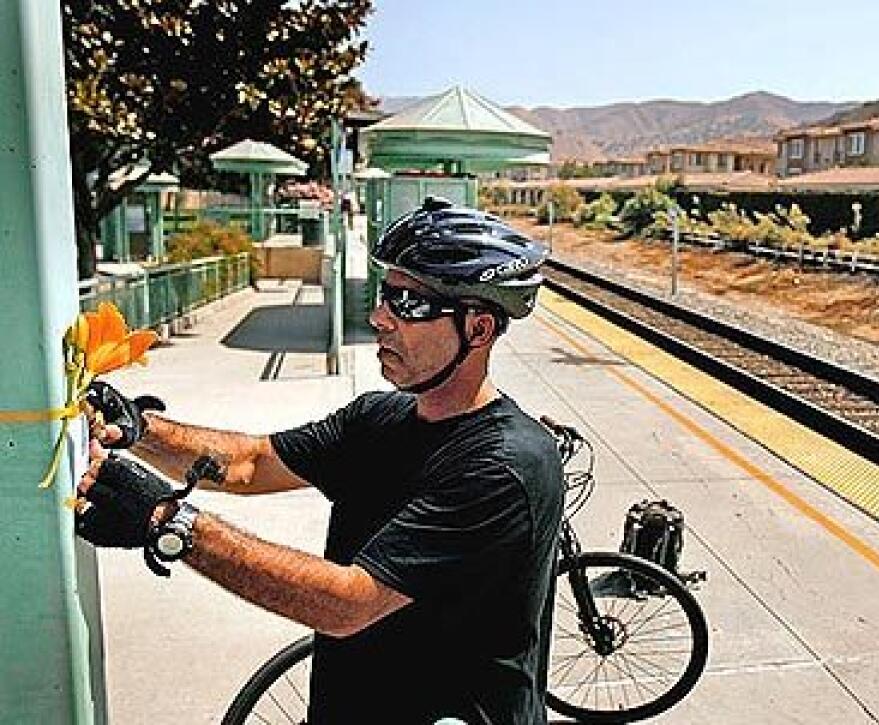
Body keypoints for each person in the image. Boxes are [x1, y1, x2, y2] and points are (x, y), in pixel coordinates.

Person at [73, 197, 564, 724]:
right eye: (385, 294)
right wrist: (139, 430)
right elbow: (251, 462)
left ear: (480, 330)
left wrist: (172, 525)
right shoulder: (379, 418)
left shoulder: (505, 466)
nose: (380, 318)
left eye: (410, 304)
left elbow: (349, 604)